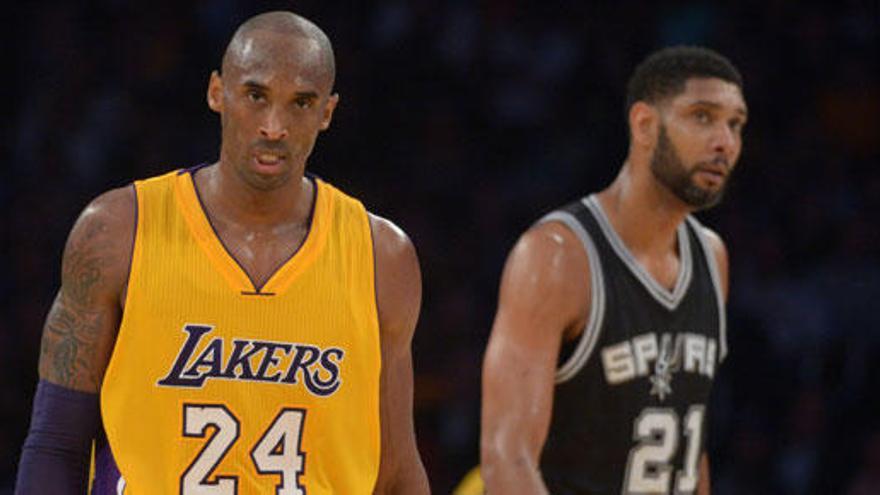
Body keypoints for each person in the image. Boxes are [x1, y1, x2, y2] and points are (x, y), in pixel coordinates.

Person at [16, 11, 429, 495]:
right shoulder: (116, 231)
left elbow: (398, 472)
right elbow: (57, 442)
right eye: (256, 96)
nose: (274, 126)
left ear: (327, 113)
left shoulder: (382, 256)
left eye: (300, 103)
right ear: (217, 92)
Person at [480, 46, 747, 494]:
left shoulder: (711, 257)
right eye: (703, 117)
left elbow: (690, 446)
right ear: (644, 125)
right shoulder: (558, 257)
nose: (725, 142)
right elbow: (508, 460)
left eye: (735, 123)